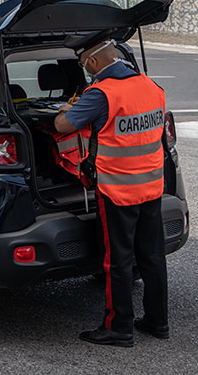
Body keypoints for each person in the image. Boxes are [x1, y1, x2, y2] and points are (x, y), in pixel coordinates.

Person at [54, 33, 169, 348]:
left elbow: (63, 126)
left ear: (92, 61)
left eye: (83, 63)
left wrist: (65, 109)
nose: (85, 69)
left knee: (117, 261)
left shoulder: (101, 94)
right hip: (152, 186)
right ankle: (157, 321)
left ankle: (118, 327)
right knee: (152, 256)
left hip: (118, 189)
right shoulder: (151, 86)